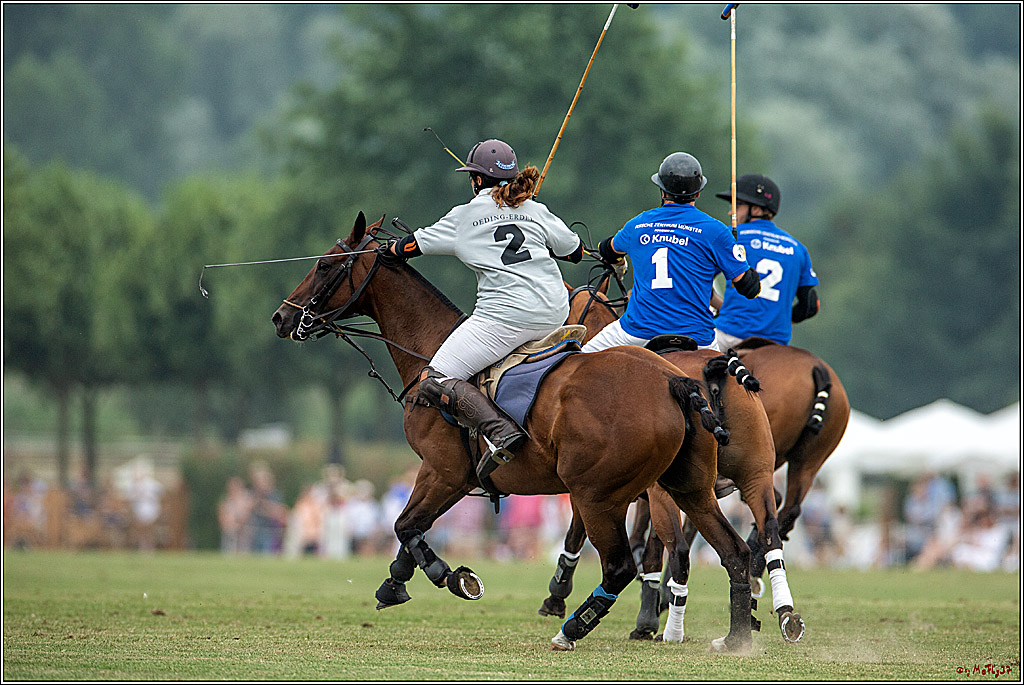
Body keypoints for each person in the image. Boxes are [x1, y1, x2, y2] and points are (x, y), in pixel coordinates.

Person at [379, 138, 583, 479]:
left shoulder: (466, 215)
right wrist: (532, 213)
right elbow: (574, 251)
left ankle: (501, 431)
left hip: (506, 319)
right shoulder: (534, 208)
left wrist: (392, 247)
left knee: (433, 378)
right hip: (555, 311)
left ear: (477, 180)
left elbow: (409, 247)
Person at [582, 152, 761, 354]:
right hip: (698, 338)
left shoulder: (638, 224)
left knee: (578, 364)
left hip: (637, 333)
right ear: (698, 192)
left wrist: (617, 257)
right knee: (726, 381)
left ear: (662, 190)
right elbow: (750, 289)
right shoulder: (716, 230)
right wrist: (739, 257)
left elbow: (607, 249)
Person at [712, 174, 819, 347]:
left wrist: (722, 307)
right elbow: (810, 305)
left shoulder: (732, 237)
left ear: (756, 210)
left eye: (736, 206)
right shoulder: (798, 249)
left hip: (730, 335)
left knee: (684, 364)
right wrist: (779, 319)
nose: (730, 212)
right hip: (776, 343)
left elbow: (700, 278)